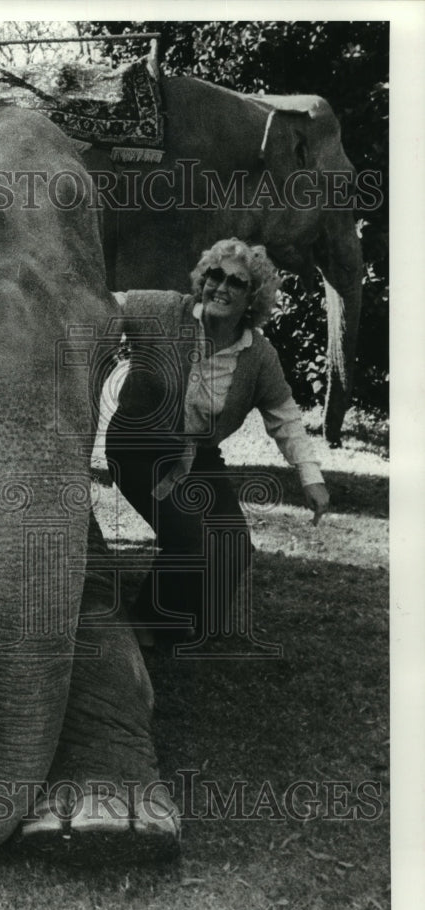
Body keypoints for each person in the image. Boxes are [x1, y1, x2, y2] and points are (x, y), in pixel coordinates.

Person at [105, 237, 330, 648]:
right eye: (215, 275)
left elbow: (286, 417)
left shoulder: (258, 356)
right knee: (188, 537)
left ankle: (188, 619)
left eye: (236, 282)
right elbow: (109, 303)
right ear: (202, 278)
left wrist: (311, 476)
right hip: (137, 446)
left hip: (195, 454)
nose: (221, 287)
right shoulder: (165, 310)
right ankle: (145, 626)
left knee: (234, 545)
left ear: (253, 298)